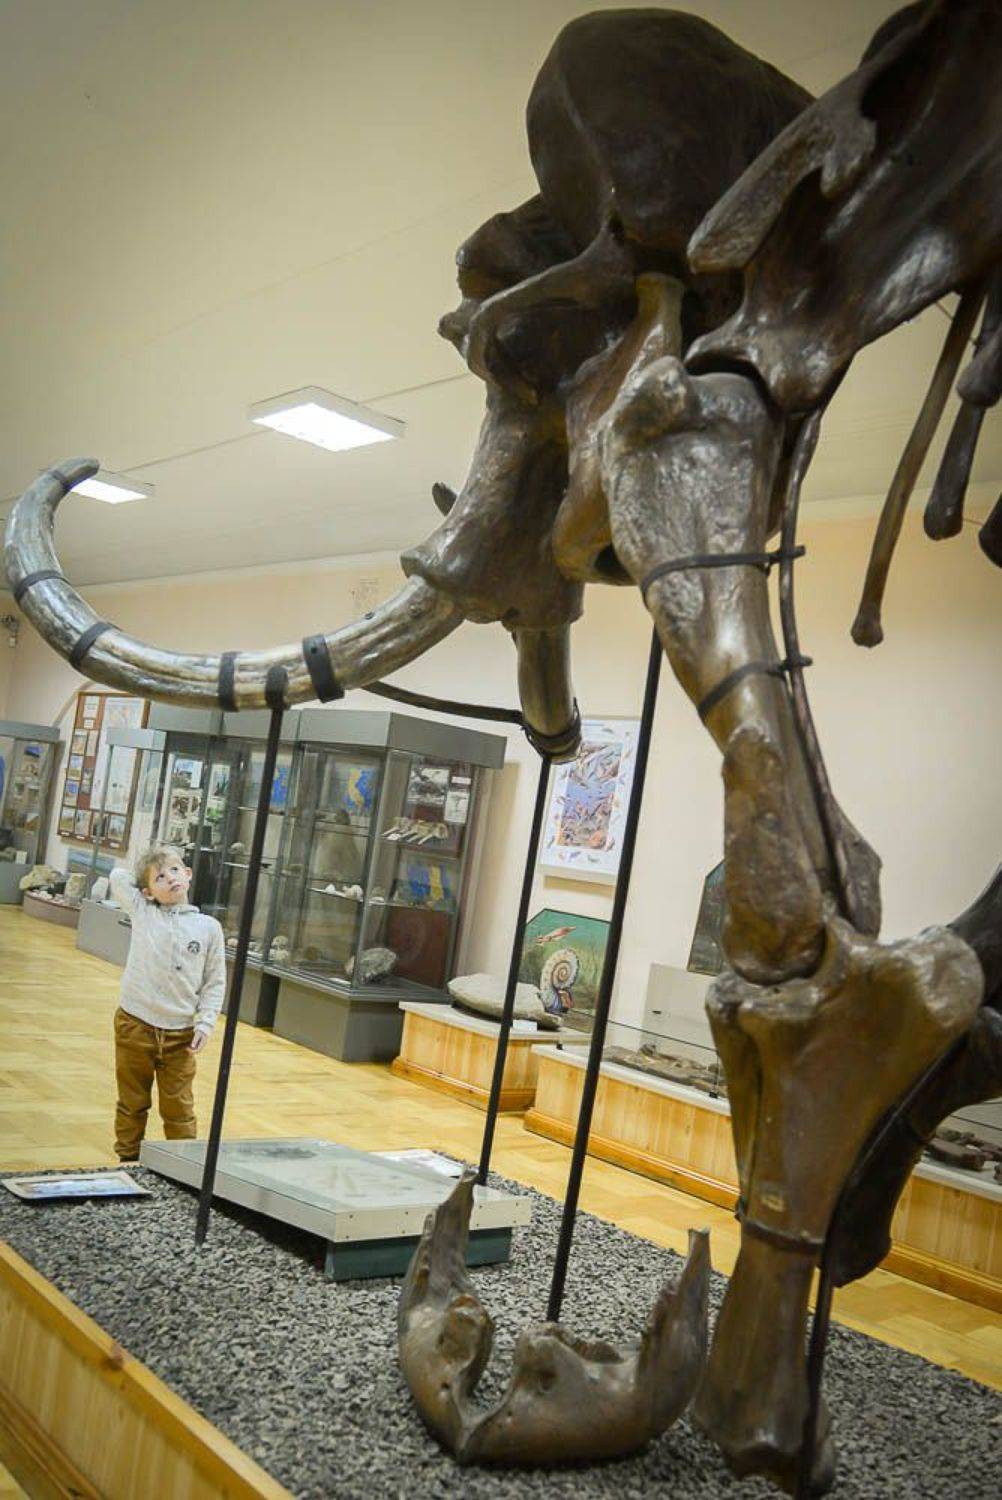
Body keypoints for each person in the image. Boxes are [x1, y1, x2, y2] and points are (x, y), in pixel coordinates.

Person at [109, 845, 225, 1162]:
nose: (170, 878)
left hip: (181, 1035)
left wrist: (206, 1023)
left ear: (188, 874)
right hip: (135, 1026)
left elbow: (215, 981)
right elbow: (118, 876)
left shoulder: (209, 927)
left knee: (179, 1107)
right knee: (132, 1102)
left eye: (175, 870)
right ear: (147, 891)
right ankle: (128, 1161)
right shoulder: (144, 911)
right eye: (160, 877)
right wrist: (148, 882)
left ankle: (183, 1167)